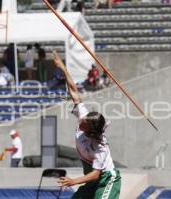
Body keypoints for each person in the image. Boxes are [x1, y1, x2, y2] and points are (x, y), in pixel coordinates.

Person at [52, 51, 121, 199]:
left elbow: (96, 174)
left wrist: (73, 181)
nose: (80, 121)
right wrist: (63, 68)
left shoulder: (99, 146)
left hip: (107, 180)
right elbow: (74, 91)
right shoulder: (84, 116)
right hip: (91, 181)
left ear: (90, 131)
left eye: (84, 123)